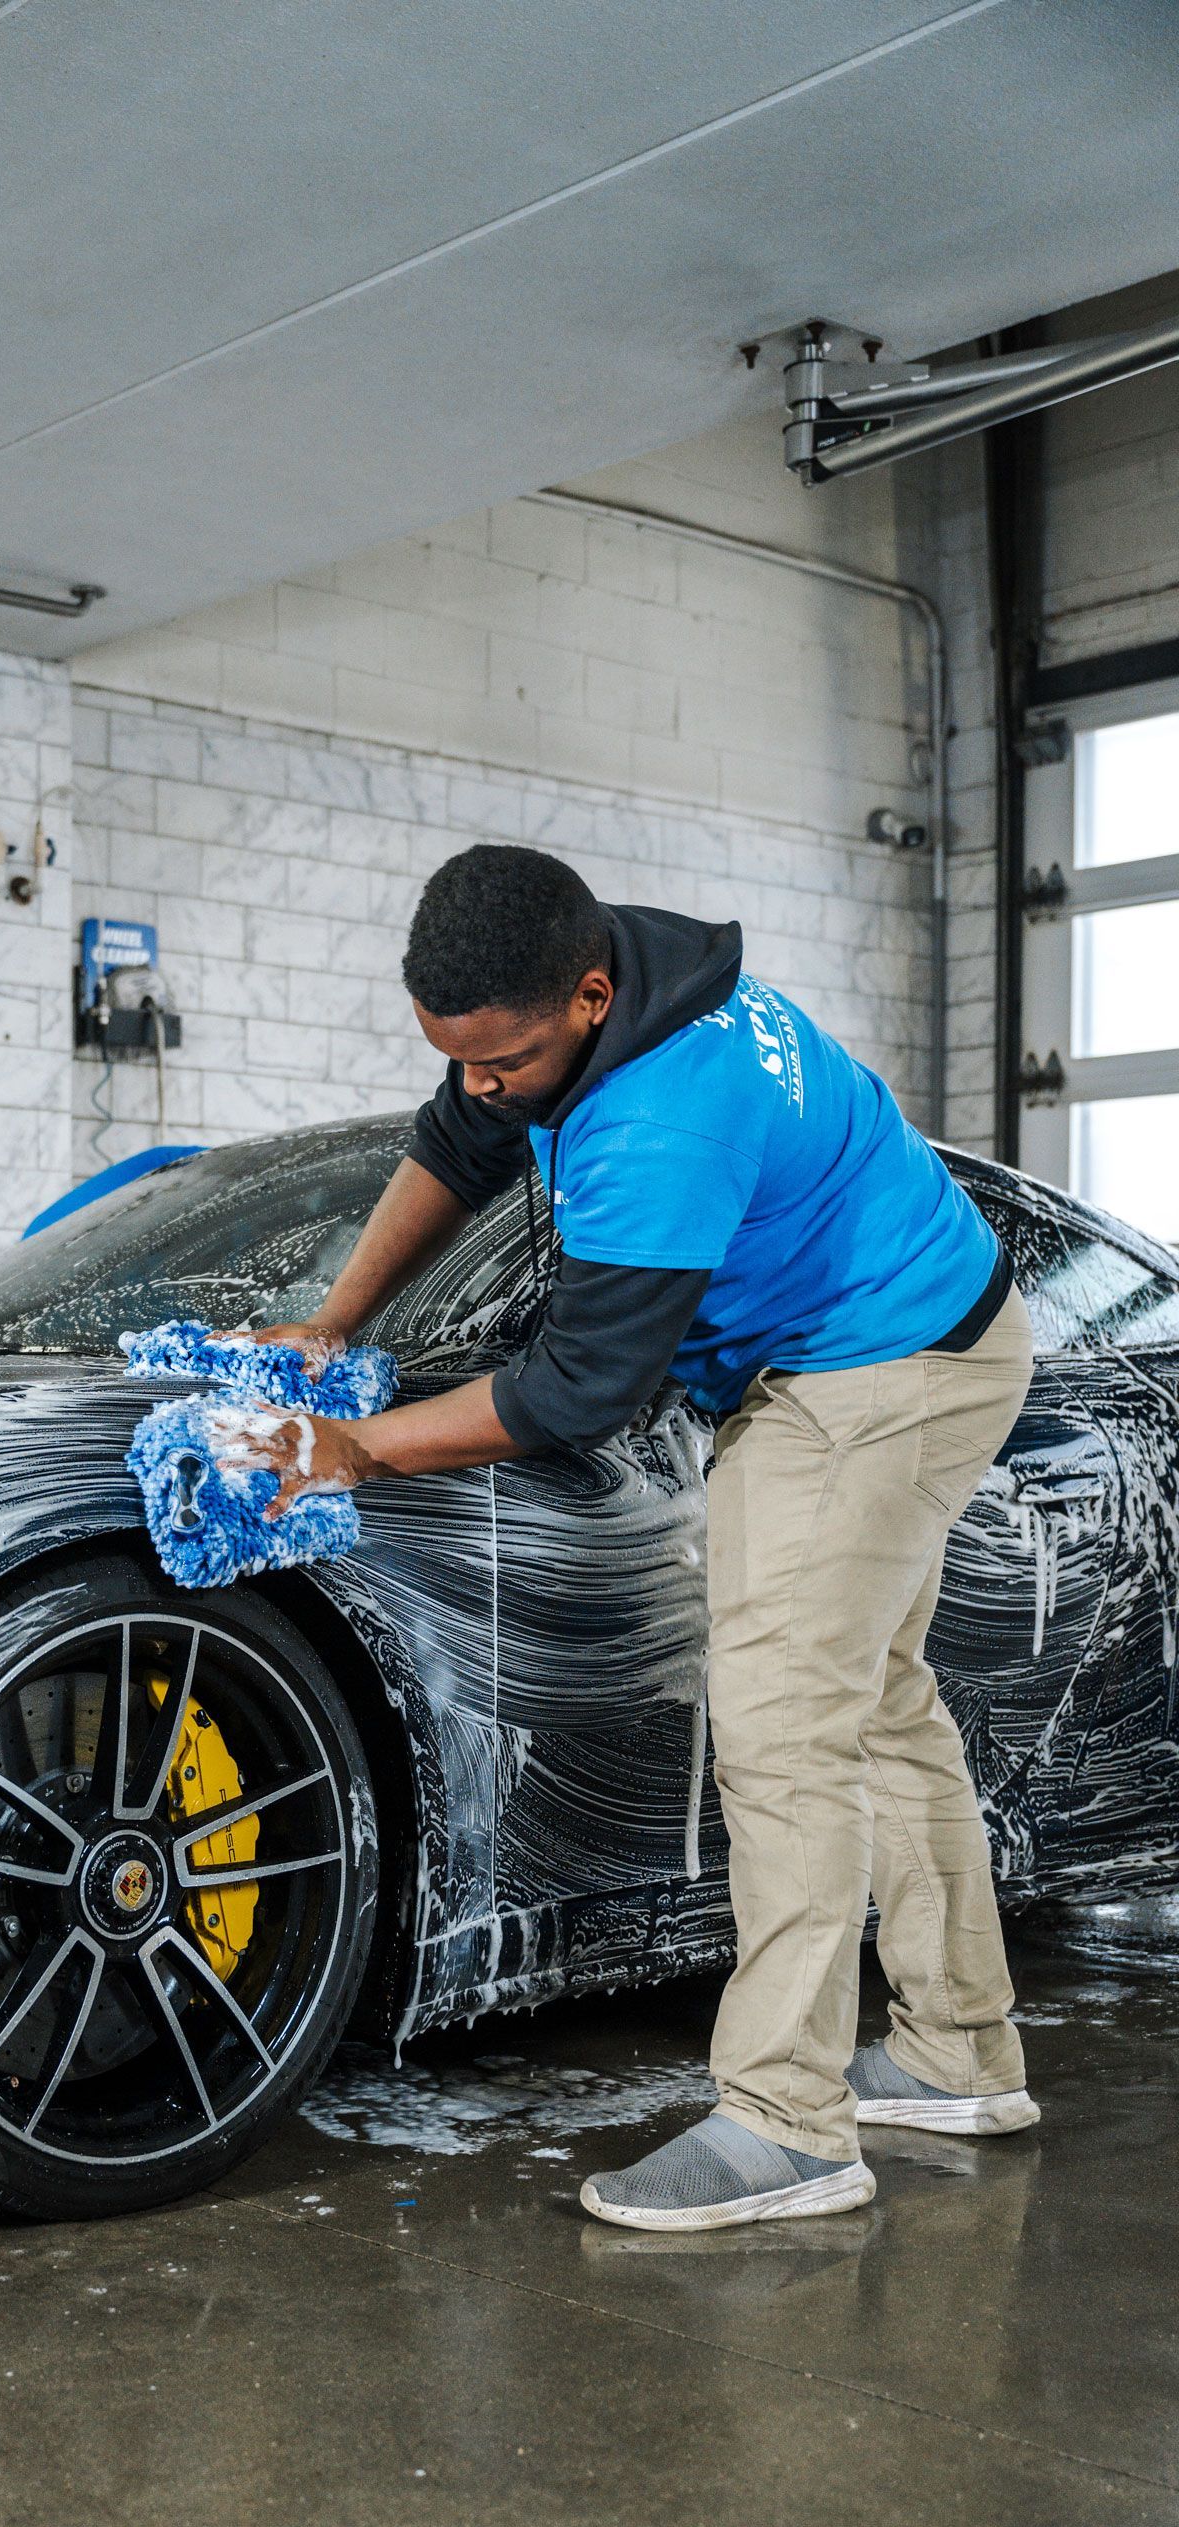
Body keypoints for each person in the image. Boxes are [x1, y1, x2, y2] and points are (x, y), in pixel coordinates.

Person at [249, 843, 1038, 2234]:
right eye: (458, 1056)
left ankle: (790, 2123)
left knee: (785, 1718)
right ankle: (955, 2053)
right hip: (921, 1334)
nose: (482, 1084)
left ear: (592, 997)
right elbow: (458, 1144)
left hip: (880, 1366)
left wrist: (358, 1447)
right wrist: (331, 1326)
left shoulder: (664, 1114)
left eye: (503, 1062)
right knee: (878, 1708)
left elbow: (575, 1391)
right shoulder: (591, 988)